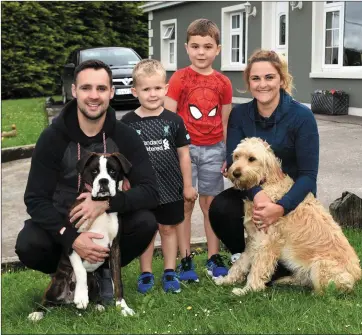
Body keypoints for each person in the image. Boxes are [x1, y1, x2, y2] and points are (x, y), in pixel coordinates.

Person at [15, 59, 159, 303]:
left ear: (111, 93)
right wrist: (71, 238)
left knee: (146, 222)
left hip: (107, 224)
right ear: (74, 91)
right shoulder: (52, 138)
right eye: (86, 88)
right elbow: (35, 199)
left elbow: (150, 191)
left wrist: (105, 203)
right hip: (64, 224)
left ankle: (104, 271)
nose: (94, 96)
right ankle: (65, 272)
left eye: (101, 89)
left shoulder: (125, 136)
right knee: (29, 243)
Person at [209, 49, 319, 281]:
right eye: (255, 78)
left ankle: (282, 261)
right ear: (248, 82)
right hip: (254, 190)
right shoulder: (240, 115)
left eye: (269, 77)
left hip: (294, 196)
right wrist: (257, 194)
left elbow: (308, 176)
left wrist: (281, 207)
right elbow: (233, 162)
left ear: (282, 79)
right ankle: (257, 258)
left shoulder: (302, 117)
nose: (263, 84)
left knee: (280, 222)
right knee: (221, 208)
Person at [164, 18, 233, 282]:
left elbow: (225, 120)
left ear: (218, 49)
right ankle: (184, 258)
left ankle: (213, 257)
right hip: (185, 150)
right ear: (186, 48)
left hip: (214, 149)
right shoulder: (179, 78)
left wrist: (227, 154)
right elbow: (169, 118)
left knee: (210, 204)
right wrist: (172, 153)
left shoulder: (223, 82)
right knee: (185, 203)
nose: (201, 52)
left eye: (207, 46)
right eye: (195, 46)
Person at [122, 59, 198, 293]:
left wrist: (187, 186)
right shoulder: (127, 123)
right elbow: (121, 159)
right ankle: (145, 273)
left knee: (168, 229)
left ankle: (169, 271)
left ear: (165, 88)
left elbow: (184, 156)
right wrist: (124, 183)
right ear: (135, 91)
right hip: (141, 190)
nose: (152, 94)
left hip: (171, 187)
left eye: (157, 88)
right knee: (146, 230)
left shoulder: (174, 121)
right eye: (146, 89)